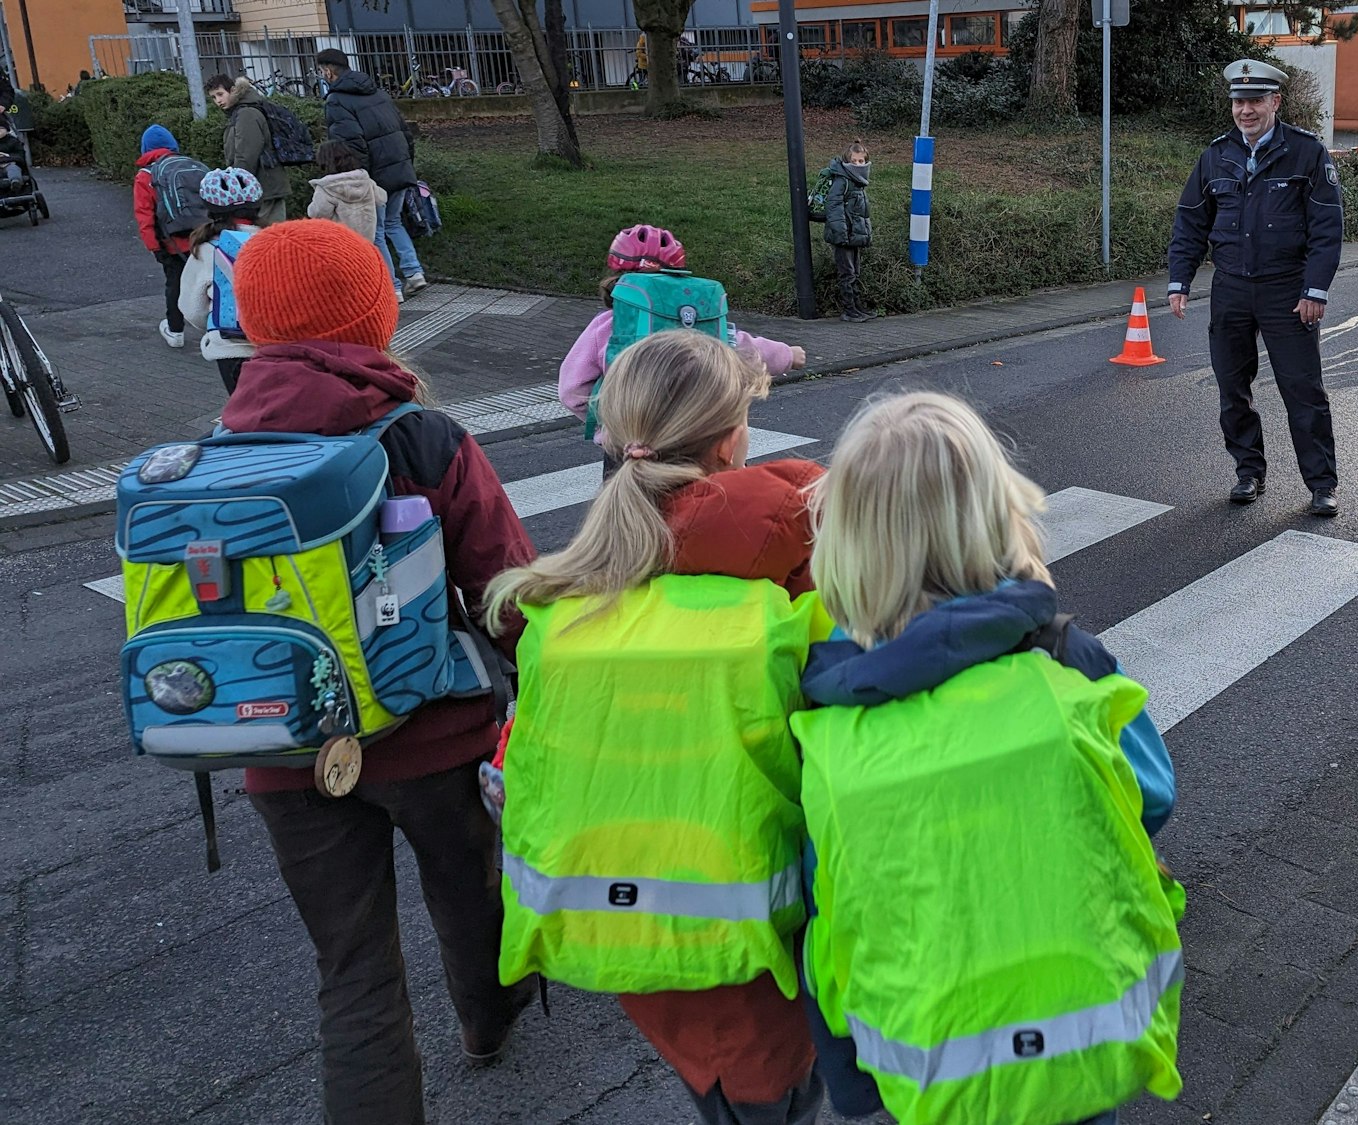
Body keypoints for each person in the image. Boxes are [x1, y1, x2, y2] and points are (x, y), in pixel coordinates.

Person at [794, 391, 1182, 1125]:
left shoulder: (827, 722)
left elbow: (829, 907)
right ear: (997, 514)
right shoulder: (1067, 658)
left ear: (844, 539)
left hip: (933, 1050)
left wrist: (848, 1080)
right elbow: (1152, 793)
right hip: (1079, 1017)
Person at [222, 218, 535, 1125]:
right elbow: (504, 590)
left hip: (281, 744)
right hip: (430, 732)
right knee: (469, 890)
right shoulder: (422, 437)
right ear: (377, 316)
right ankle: (486, 1021)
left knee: (352, 972)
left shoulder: (218, 449)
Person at [483, 330, 826, 1125]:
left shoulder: (565, 603)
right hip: (761, 949)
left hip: (635, 941)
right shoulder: (792, 569)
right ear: (732, 437)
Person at [1166, 59, 1344, 517]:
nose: (1245, 110)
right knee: (1232, 387)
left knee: (1302, 390)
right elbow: (1190, 221)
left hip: (1288, 293)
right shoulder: (1215, 156)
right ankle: (1249, 471)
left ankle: (1322, 484)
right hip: (1231, 291)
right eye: (1238, 102)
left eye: (1255, 101)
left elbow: (1327, 229)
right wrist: (1179, 279)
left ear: (1275, 102)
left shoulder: (1306, 153)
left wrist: (1315, 290)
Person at [559, 224, 805, 437]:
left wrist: (615, 425)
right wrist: (788, 355)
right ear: (676, 275)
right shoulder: (698, 319)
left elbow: (572, 390)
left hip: (630, 448)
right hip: (698, 440)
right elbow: (744, 349)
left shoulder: (605, 327)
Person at [316, 48, 427, 298]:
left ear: (329, 71)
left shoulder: (337, 100)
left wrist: (360, 178)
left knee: (375, 232)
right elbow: (404, 129)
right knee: (394, 222)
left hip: (375, 174)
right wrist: (408, 162)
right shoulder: (377, 92)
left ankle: (391, 287)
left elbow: (350, 143)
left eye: (321, 71)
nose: (321, 76)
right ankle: (414, 273)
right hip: (400, 167)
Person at [177, 167, 264, 394]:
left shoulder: (206, 249)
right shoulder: (278, 240)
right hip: (277, 346)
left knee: (245, 416)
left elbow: (192, 309)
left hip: (231, 347)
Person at [133, 124, 193, 349]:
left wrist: (154, 247)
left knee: (174, 284)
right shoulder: (188, 166)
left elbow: (144, 216)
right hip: (200, 237)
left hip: (171, 242)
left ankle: (176, 331)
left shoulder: (145, 176)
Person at [204, 74, 291, 225]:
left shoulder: (246, 114)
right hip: (261, 185)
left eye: (220, 94)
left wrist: (237, 187)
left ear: (232, 91)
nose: (218, 101)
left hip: (262, 187)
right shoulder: (241, 112)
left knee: (267, 236)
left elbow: (246, 155)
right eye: (213, 97)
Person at [822, 141, 874, 322]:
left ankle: (857, 306)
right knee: (847, 273)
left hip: (854, 235)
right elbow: (834, 208)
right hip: (844, 236)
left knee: (855, 272)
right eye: (855, 161)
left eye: (861, 161)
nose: (858, 165)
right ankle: (849, 309)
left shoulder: (858, 182)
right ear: (847, 160)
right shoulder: (842, 180)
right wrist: (841, 234)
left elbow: (861, 212)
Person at [307, 139, 386, 246]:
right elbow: (381, 198)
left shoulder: (326, 187)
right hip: (367, 240)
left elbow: (318, 213)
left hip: (342, 242)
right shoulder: (364, 180)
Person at [0, 115, 27, 190]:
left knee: (14, 169)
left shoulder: (13, 141)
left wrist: (7, 156)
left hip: (10, 164)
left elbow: (20, 155)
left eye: (1, 128)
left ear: (7, 130)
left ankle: (15, 182)